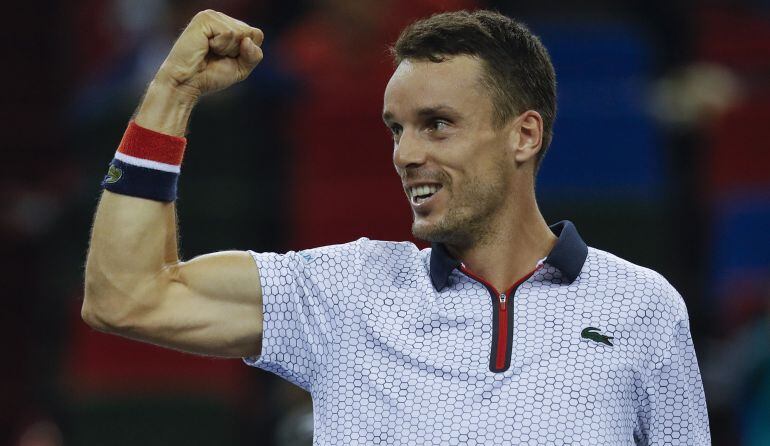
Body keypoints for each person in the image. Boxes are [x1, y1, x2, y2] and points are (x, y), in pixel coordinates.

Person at [82, 9, 711, 445]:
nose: (405, 154)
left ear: (524, 135)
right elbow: (128, 295)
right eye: (396, 128)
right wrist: (173, 90)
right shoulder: (344, 291)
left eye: (436, 124)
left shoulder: (643, 307)